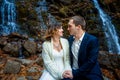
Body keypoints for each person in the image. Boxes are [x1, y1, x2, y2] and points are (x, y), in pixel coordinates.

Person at [63, 16, 103, 80]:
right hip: (73, 71)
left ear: (78, 27)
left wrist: (75, 73)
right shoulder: (70, 40)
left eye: (70, 26)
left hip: (89, 73)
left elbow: (91, 62)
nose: (67, 29)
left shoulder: (92, 40)